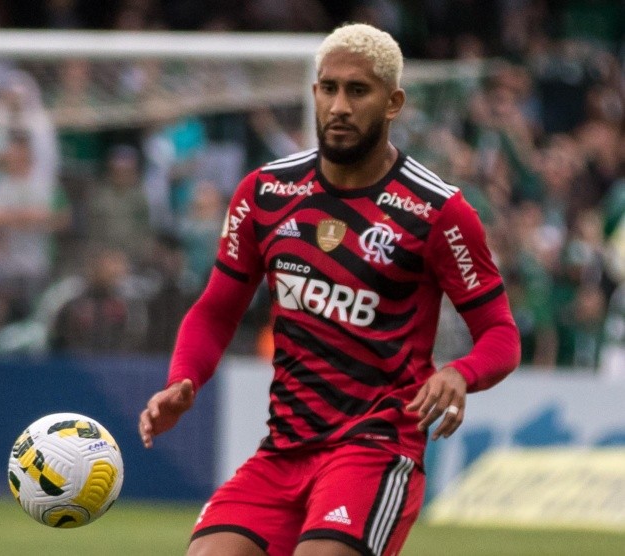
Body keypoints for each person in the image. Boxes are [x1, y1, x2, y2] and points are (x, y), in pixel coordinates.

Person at [138, 23, 521, 556]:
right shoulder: (266, 193)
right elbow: (215, 310)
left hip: (376, 449)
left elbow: (501, 333)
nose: (339, 106)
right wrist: (184, 379)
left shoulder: (438, 211)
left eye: (358, 91)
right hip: (283, 450)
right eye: (329, 88)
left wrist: (460, 373)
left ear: (393, 103)